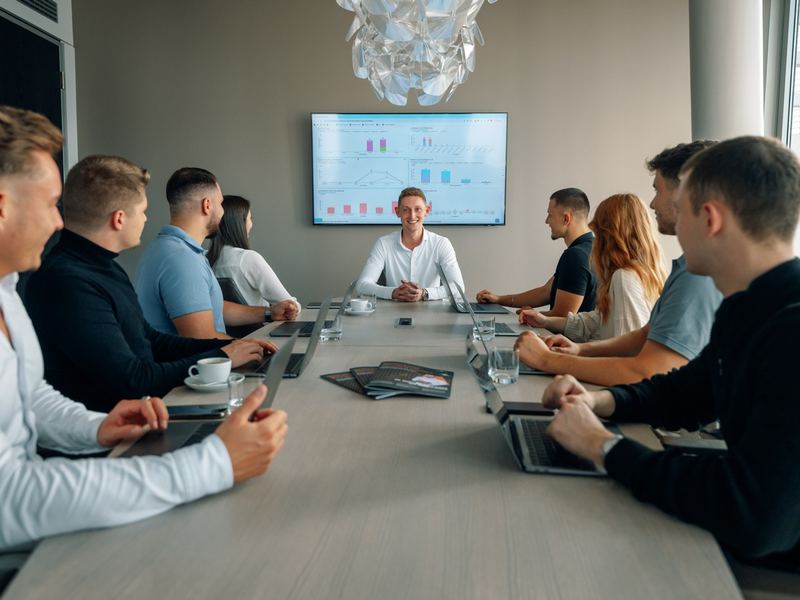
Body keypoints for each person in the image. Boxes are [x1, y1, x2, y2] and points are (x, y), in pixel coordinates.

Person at [0, 105, 288, 550]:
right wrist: (213, 463)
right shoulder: (62, 279)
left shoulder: (10, 288)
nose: (59, 221)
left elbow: (27, 395)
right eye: (49, 205)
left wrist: (94, 426)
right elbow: (9, 495)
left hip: (81, 458)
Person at [540, 136, 800, 571]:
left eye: (680, 206)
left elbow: (755, 517)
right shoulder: (749, 307)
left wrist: (602, 446)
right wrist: (601, 402)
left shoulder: (789, 333)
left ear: (710, 219)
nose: (670, 222)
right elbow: (687, 392)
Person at [25, 156, 279, 413]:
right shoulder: (69, 283)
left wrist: (227, 347)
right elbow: (134, 380)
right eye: (143, 211)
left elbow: (150, 339)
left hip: (141, 412)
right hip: (112, 433)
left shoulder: (105, 267)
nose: (146, 219)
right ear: (120, 219)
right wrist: (222, 357)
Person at [515, 142, 722, 386]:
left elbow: (639, 366)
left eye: (657, 190)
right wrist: (576, 348)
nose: (653, 204)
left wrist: (547, 360)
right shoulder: (682, 267)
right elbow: (635, 333)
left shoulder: (689, 275)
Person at [134, 168, 298, 338]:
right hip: (197, 363)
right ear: (207, 205)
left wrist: (269, 313)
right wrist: (253, 346)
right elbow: (201, 339)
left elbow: (211, 308)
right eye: (220, 204)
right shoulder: (183, 259)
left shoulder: (163, 248)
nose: (222, 212)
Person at [518, 193, 666, 341]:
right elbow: (596, 322)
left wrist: (569, 355)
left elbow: (624, 351)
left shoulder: (624, 277)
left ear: (610, 234)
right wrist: (544, 321)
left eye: (598, 231)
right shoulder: (639, 272)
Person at [476, 188, 597, 317]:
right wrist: (499, 299)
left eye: (550, 215)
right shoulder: (594, 248)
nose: (546, 220)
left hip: (569, 337)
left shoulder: (575, 256)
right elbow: (545, 292)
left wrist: (532, 315)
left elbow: (563, 317)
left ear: (566, 219)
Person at [355, 187, 465, 301]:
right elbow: (362, 285)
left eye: (417, 209)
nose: (412, 216)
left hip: (433, 312)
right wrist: (393, 292)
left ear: (427, 211)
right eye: (406, 210)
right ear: (398, 212)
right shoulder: (384, 243)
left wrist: (424, 293)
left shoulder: (441, 244)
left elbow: (458, 287)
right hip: (392, 313)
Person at [207, 194, 298, 309]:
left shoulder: (206, 259)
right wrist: (296, 307)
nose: (251, 224)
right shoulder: (247, 258)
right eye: (250, 218)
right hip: (261, 326)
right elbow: (289, 304)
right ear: (239, 223)